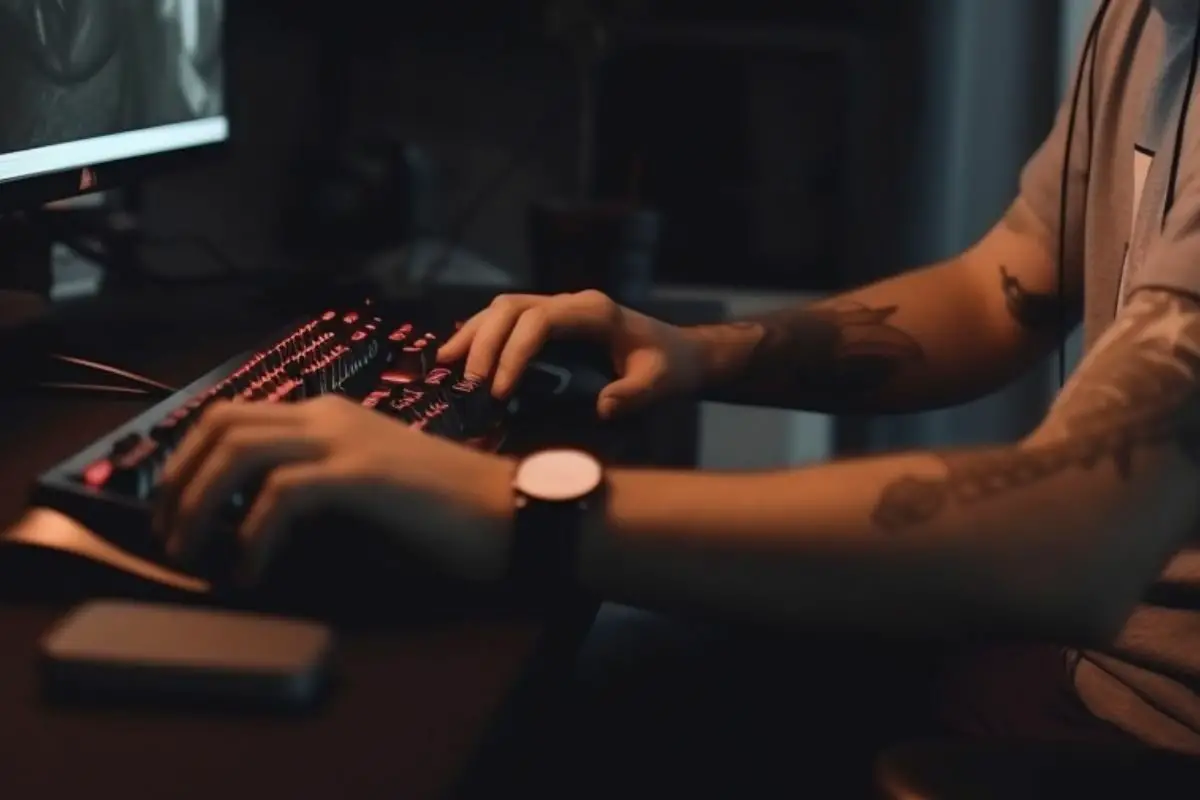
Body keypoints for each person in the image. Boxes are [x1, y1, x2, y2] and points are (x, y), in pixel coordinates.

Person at [157, 0, 1200, 793]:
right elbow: (1003, 282)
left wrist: (500, 503)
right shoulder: (1142, 23)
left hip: (1145, 741)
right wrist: (707, 353)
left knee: (482, 728)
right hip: (1083, 673)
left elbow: (1067, 540)